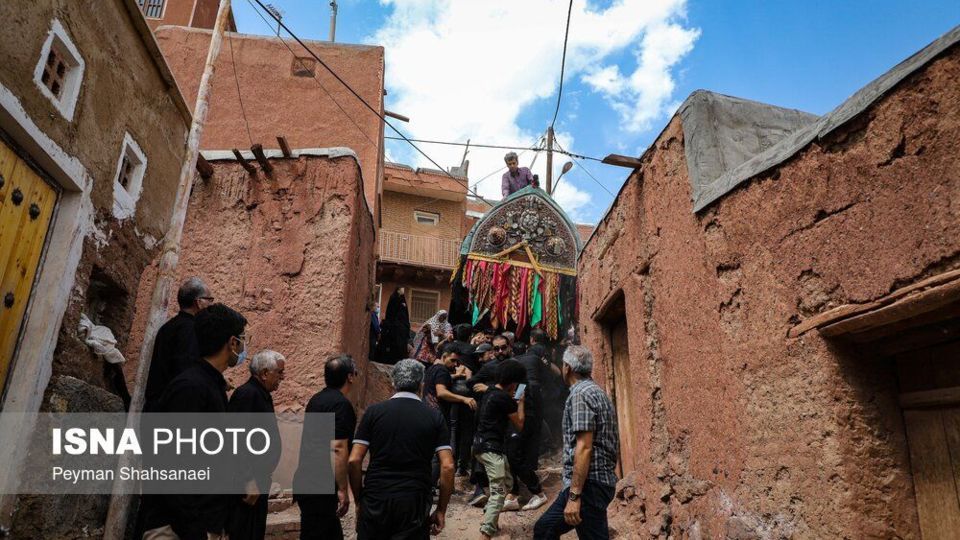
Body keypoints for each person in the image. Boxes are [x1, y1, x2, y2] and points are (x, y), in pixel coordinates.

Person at [142, 303, 248, 540]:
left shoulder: (211, 386)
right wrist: (195, 530)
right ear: (232, 343)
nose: (243, 346)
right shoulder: (190, 388)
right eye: (242, 339)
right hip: (177, 528)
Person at [348, 359, 455, 539]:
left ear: (393, 382)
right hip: (414, 501)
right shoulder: (434, 416)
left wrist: (359, 501)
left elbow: (354, 460)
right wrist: (441, 510)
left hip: (376, 497)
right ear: (421, 384)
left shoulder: (374, 412)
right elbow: (448, 466)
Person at [533, 346, 620, 540]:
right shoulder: (596, 391)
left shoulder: (580, 394)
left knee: (544, 530)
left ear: (567, 367)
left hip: (590, 485)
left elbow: (584, 447)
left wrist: (574, 496)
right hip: (597, 483)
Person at [295, 354, 359, 540]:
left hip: (307, 479)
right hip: (321, 484)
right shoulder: (341, 405)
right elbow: (338, 447)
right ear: (349, 376)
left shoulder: (316, 400)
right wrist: (342, 489)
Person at [226, 350, 285, 540]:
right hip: (246, 486)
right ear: (265, 373)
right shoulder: (247, 395)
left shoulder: (261, 394)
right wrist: (248, 479)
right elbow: (234, 438)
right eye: (279, 372)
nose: (282, 377)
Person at [474, 359, 527, 539]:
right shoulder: (504, 398)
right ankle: (486, 533)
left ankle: (491, 517)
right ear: (513, 383)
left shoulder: (490, 391)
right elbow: (519, 424)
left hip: (481, 446)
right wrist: (520, 402)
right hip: (491, 448)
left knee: (508, 481)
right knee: (498, 492)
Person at [144, 277, 213, 412]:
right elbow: (186, 371)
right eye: (209, 300)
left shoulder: (168, 327)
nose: (211, 305)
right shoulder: (191, 330)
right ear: (199, 302)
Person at [504, 329, 550, 512]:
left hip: (522, 420)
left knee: (514, 455)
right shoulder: (528, 373)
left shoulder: (521, 383)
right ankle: (514, 494)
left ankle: (537, 493)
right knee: (515, 453)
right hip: (528, 416)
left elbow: (518, 402)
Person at [376, 288, 411, 364]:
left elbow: (405, 316)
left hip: (401, 331)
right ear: (398, 290)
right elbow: (391, 313)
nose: (403, 291)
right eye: (401, 289)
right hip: (392, 329)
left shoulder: (402, 301)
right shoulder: (394, 298)